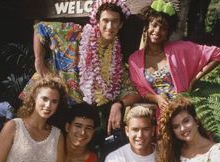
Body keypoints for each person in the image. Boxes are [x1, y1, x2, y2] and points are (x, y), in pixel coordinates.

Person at [20, 0, 141, 138]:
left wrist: (118, 104)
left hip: (76, 119)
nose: (109, 26)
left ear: (120, 25)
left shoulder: (116, 62)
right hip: (49, 104)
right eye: (105, 20)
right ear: (97, 21)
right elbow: (40, 28)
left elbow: (133, 92)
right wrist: (39, 61)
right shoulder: (76, 33)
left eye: (114, 21)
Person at [129, 0, 220, 115]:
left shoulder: (179, 49)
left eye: (163, 28)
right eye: (154, 25)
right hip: (155, 118)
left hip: (182, 112)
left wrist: (194, 79)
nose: (157, 31)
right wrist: (156, 98)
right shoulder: (134, 60)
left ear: (168, 33)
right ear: (146, 26)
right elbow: (140, 90)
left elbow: (219, 54)